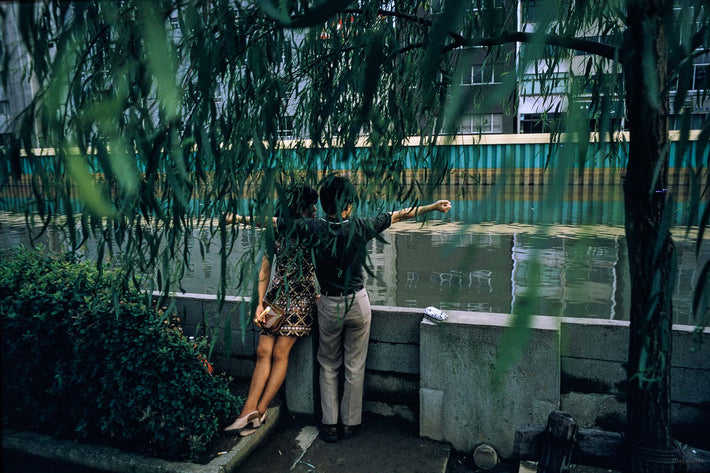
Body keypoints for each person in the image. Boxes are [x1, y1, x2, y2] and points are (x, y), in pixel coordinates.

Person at [294, 175, 452, 442]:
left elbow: (276, 224)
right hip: (356, 302)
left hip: (329, 303)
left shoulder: (313, 228)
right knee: (355, 366)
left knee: (328, 364)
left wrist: (237, 220)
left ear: (323, 204)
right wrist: (432, 207)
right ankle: (350, 423)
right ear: (349, 206)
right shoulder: (360, 226)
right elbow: (399, 215)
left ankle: (329, 425)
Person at [224, 184, 319, 436]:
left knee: (279, 352)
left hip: (301, 298)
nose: (313, 209)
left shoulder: (313, 228)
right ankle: (248, 410)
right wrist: (258, 303)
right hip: (276, 297)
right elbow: (265, 270)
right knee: (262, 349)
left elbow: (327, 262)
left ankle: (259, 410)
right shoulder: (275, 229)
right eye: (309, 205)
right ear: (298, 206)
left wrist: (324, 292)